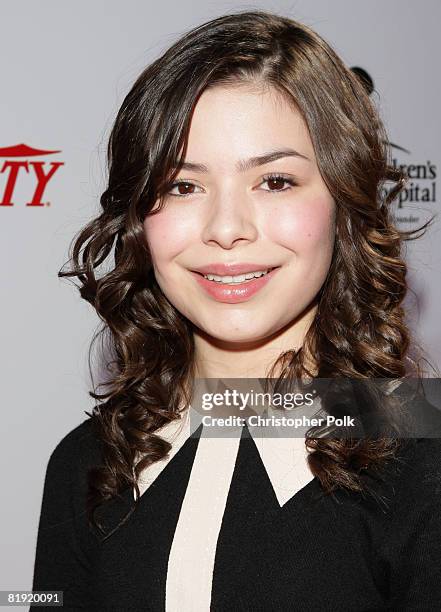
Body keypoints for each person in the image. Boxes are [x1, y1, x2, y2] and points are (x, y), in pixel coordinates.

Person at [31, 10, 441, 611]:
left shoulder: (425, 457)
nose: (226, 229)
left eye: (275, 182)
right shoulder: (88, 462)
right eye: (182, 186)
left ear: (344, 203)